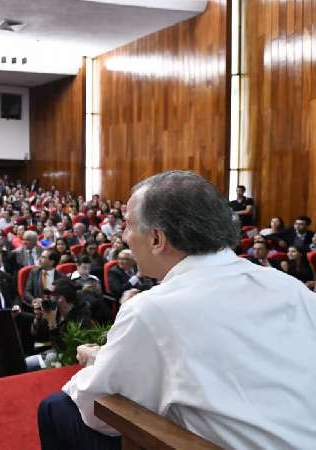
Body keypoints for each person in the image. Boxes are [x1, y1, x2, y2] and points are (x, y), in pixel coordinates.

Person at [38, 171, 316, 449]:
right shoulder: (290, 286)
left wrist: (99, 363)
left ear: (157, 239)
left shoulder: (152, 309)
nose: (123, 236)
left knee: (55, 407)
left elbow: (96, 409)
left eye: (129, 225)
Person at [30, 278, 92, 350]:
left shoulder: (81, 317)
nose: (47, 298)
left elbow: (65, 351)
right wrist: (37, 318)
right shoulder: (54, 309)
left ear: (60, 299)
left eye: (50, 294)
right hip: (51, 352)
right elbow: (35, 334)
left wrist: (52, 325)